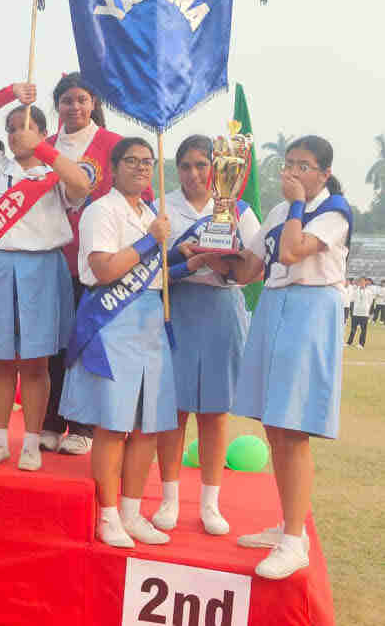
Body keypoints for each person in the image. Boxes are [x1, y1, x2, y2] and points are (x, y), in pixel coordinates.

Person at [226, 136, 351, 579]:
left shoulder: (333, 212)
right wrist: (211, 249)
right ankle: (287, 525)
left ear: (323, 173)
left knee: (293, 426)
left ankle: (295, 541)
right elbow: (248, 267)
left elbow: (295, 251)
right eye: (289, 164)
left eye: (304, 166)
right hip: (274, 307)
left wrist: (298, 207)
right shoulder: (278, 213)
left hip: (311, 308)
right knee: (273, 423)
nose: (293, 174)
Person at [0, 83, 92, 471]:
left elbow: (83, 186)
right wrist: (10, 94)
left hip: (41, 268)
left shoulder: (56, 170)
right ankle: (0, 440)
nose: (19, 132)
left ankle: (32, 442)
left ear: (42, 131)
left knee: (36, 363)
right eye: (13, 127)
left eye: (28, 126)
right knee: (0, 361)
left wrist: (43, 150)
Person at [60, 138, 180, 548]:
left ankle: (132, 510)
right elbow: (104, 268)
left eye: (148, 162)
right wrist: (150, 240)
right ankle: (108, 514)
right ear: (115, 166)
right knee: (113, 424)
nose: (142, 168)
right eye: (132, 160)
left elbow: (157, 272)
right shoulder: (102, 211)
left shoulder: (151, 212)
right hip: (113, 321)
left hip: (150, 323)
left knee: (148, 425)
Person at [152, 135, 260, 536]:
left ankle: (211, 504)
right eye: (186, 166)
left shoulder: (238, 209)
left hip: (222, 308)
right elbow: (151, 264)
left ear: (216, 169)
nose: (194, 174)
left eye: (202, 165)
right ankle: (168, 499)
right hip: (176, 308)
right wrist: (188, 260)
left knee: (215, 413)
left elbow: (255, 264)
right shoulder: (164, 206)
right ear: (176, 169)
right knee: (173, 411)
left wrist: (228, 264)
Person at [43, 72, 138, 455]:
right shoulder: (44, 146)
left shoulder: (113, 145)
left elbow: (138, 194)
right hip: (53, 258)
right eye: (67, 100)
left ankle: (84, 425)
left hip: (99, 263)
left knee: (88, 344)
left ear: (94, 103)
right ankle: (51, 420)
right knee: (53, 345)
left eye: (82, 99)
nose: (75, 107)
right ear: (58, 106)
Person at [347, 276, 374, 348]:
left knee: (363, 329)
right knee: (353, 328)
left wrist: (367, 308)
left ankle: (361, 344)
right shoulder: (355, 290)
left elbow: (370, 301)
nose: (361, 283)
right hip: (356, 312)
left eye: (363, 281)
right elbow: (352, 299)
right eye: (360, 281)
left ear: (366, 282)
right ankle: (349, 342)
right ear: (358, 283)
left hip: (364, 313)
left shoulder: (369, 292)